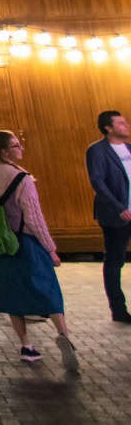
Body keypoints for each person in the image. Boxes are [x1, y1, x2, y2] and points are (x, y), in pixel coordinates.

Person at [0, 129, 77, 373]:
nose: (21, 148)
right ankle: (63, 334)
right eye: (16, 145)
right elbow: (34, 218)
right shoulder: (22, 178)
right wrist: (51, 248)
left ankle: (26, 345)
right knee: (48, 288)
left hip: (0, 244)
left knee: (12, 295)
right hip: (26, 242)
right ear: (4, 151)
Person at [84, 108, 131, 323]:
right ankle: (119, 310)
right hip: (116, 215)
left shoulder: (129, 149)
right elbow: (98, 181)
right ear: (108, 128)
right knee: (115, 261)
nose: (126, 126)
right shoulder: (98, 151)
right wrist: (119, 207)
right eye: (120, 124)